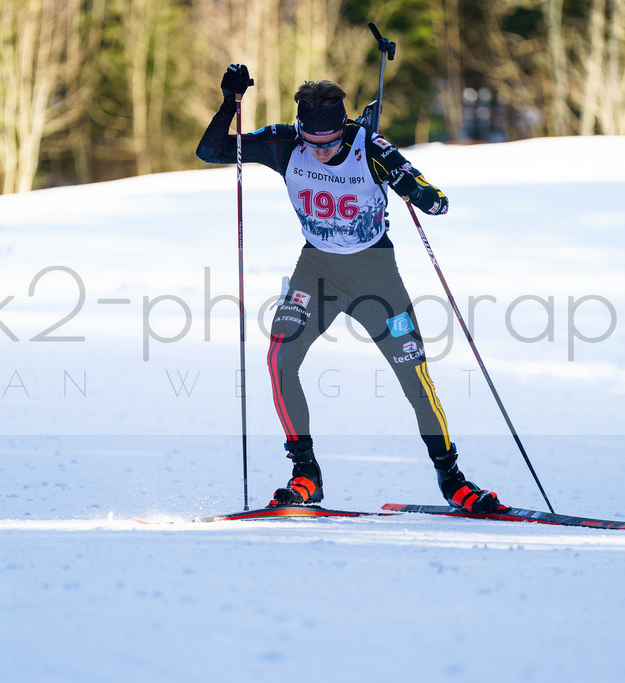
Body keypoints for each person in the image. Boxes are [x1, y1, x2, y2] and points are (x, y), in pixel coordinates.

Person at [196, 64, 506, 513]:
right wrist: (231, 103)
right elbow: (211, 152)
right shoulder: (286, 142)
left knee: (414, 376)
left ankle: (451, 479)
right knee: (280, 360)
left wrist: (408, 184)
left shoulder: (371, 146)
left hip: (375, 276)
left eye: (330, 142)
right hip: (316, 271)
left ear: (344, 128)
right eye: (312, 143)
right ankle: (306, 474)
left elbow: (436, 202)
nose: (320, 152)